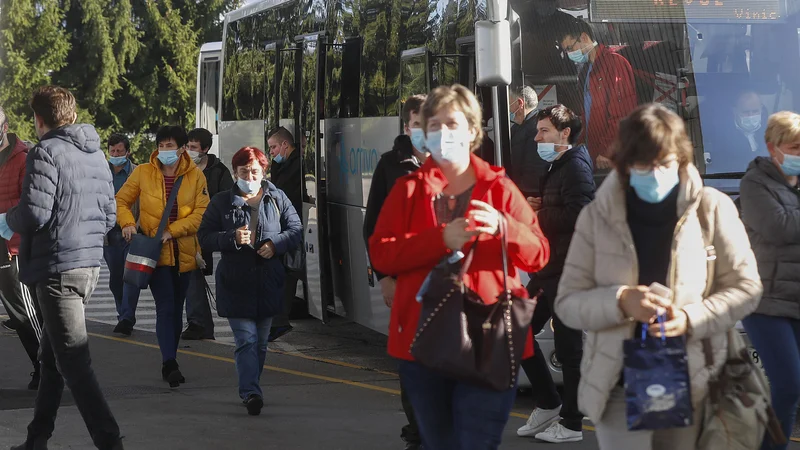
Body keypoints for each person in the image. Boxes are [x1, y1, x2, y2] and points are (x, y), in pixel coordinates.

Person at [554, 103, 762, 450]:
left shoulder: (711, 208)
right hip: (617, 385)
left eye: (664, 164)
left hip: (698, 382)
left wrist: (689, 318)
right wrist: (619, 300)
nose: (654, 174)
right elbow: (567, 301)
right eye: (642, 165)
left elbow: (747, 287)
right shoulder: (596, 216)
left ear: (681, 159)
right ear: (623, 164)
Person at [369, 84, 550, 449]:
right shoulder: (407, 189)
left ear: (472, 130)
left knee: (477, 443)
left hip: (491, 340)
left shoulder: (500, 188)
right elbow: (382, 254)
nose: (443, 134)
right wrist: (439, 239)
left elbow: (539, 254)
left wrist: (505, 228)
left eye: (452, 124)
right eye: (434, 126)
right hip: (425, 344)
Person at [1, 86, 123, 449]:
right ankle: (37, 438)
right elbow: (110, 215)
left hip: (57, 270)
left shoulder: (44, 152)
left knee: (73, 363)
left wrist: (7, 220)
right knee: (52, 358)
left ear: (39, 120)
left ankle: (110, 441)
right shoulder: (96, 154)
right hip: (88, 267)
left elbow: (35, 212)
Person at [198, 146, 302, 416]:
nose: (250, 176)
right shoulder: (221, 201)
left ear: (263, 171)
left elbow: (296, 229)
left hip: (269, 283)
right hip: (236, 283)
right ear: (235, 173)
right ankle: (251, 392)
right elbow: (205, 236)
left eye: (255, 171)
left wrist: (274, 245)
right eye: (244, 171)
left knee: (261, 343)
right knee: (246, 339)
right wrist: (231, 238)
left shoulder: (277, 197)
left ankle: (251, 383)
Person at [518, 105, 594, 443]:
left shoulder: (575, 166)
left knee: (569, 348)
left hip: (567, 270)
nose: (537, 138)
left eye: (544, 131)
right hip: (550, 270)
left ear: (564, 134)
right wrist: (541, 205)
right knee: (518, 330)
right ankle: (549, 402)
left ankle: (572, 422)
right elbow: (563, 207)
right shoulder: (559, 164)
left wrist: (539, 214)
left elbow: (580, 214)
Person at [115, 125, 209, 387]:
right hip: (155, 255)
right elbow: (121, 201)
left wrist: (173, 231)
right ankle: (169, 363)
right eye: (161, 145)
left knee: (176, 308)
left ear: (182, 148)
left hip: (185, 253)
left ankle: (171, 355)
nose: (165, 150)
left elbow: (201, 213)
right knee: (166, 307)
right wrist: (127, 224)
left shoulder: (196, 177)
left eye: (170, 145)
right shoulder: (143, 172)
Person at [363, 94, 427, 450]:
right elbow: (373, 227)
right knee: (412, 358)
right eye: (418, 124)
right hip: (404, 280)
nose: (426, 131)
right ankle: (417, 429)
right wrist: (384, 275)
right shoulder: (392, 165)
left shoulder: (452, 162)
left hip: (444, 283)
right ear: (407, 127)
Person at [738, 111, 800, 450]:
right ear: (772, 147)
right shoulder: (754, 183)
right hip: (767, 302)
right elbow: (779, 227)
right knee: (787, 386)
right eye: (794, 147)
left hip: (795, 299)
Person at [556, 18, 637, 169]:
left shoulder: (614, 63)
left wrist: (607, 150)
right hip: (593, 152)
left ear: (584, 37)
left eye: (570, 48)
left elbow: (622, 114)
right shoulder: (587, 70)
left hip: (610, 157)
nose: (568, 54)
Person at [0, 105, 43, 390]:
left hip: (10, 247)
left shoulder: (22, 159)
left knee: (23, 314)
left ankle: (45, 366)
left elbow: (26, 204)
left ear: (4, 126)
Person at [181, 127, 234, 341]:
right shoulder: (181, 168)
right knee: (189, 275)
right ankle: (198, 322)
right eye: (187, 147)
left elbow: (228, 202)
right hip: (185, 229)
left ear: (205, 149)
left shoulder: (219, 172)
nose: (189, 151)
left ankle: (200, 323)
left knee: (194, 274)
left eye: (193, 148)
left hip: (207, 232)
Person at [267, 126, 303, 341]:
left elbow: (281, 192)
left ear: (285, 145)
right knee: (285, 273)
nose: (271, 152)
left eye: (273, 147)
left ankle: (279, 321)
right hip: (287, 226)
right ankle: (278, 321)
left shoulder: (297, 165)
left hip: (292, 226)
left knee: (287, 272)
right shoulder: (286, 164)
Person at [104, 133, 142, 337]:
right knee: (115, 279)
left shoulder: (138, 172)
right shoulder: (101, 172)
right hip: (109, 234)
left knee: (130, 278)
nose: (116, 154)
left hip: (132, 233)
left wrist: (136, 226)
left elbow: (146, 204)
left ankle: (127, 318)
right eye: (112, 151)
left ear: (127, 152)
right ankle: (122, 313)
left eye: (119, 151)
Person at [707, 90, 769, 174]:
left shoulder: (772, 131)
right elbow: (722, 165)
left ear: (761, 109)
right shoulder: (721, 137)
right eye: (746, 112)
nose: (751, 116)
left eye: (755, 111)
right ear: (735, 111)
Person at [508, 86, 547, 199]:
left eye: (509, 104)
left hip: (529, 194)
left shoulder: (536, 129)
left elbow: (534, 170)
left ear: (520, 103)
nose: (509, 110)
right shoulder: (520, 126)